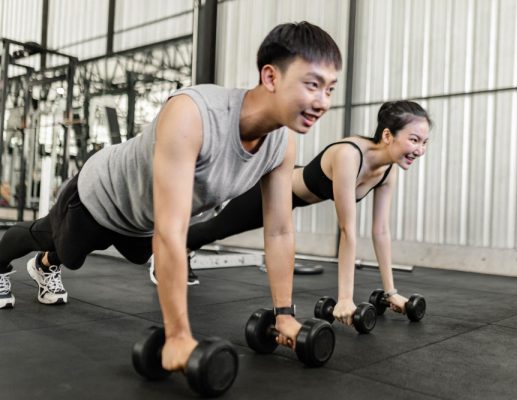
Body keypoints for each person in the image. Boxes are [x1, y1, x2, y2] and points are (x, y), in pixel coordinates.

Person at [0, 21, 341, 372]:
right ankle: (21, 263)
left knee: (136, 254)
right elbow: (171, 231)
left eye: (330, 89)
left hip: (143, 221)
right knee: (60, 245)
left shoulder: (281, 145)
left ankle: (50, 257)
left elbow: (280, 230)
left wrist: (284, 316)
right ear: (271, 77)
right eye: (312, 85)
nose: (323, 102)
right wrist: (177, 337)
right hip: (100, 195)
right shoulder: (194, 114)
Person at [159, 100, 431, 327]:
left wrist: (391, 292)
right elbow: (348, 231)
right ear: (387, 136)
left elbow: (380, 231)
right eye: (414, 140)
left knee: (215, 229)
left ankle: (180, 245)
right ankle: (168, 244)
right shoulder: (350, 155)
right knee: (215, 229)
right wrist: (345, 298)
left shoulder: (387, 171)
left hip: (294, 199)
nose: (420, 150)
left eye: (425, 142)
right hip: (270, 190)